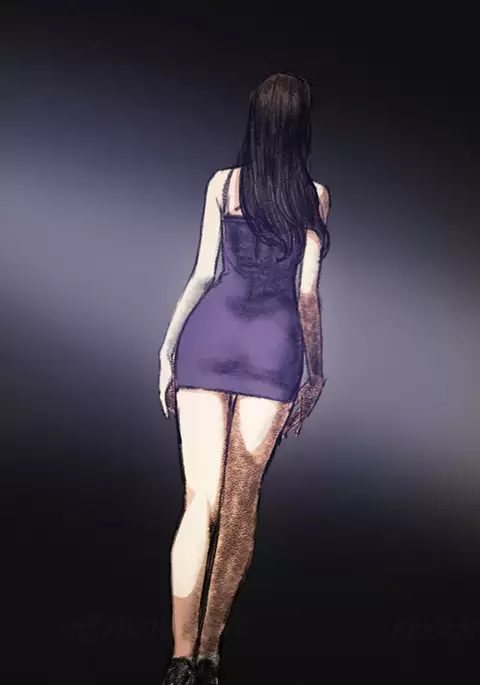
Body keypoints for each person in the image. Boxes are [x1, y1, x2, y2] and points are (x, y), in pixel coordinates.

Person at [158, 72, 331, 685]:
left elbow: (203, 273)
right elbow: (306, 294)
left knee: (198, 501)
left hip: (208, 340)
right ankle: (209, 653)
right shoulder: (314, 196)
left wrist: (169, 347)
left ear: (255, 120)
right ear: (302, 125)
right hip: (272, 351)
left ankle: (179, 657)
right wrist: (317, 369)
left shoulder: (222, 184)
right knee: (239, 505)